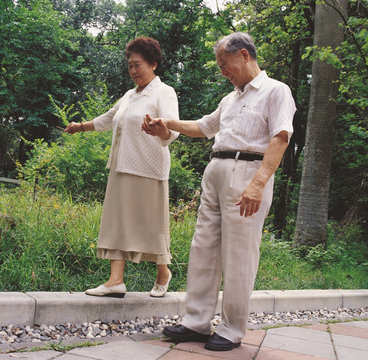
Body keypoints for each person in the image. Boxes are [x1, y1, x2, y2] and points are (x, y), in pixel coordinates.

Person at [142, 32, 296, 351]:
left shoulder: (275, 91)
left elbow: (280, 137)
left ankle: (232, 328)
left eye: (224, 64)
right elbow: (204, 127)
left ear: (243, 55)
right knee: (204, 248)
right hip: (216, 171)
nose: (222, 71)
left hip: (248, 172)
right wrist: (166, 124)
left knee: (239, 255)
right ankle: (196, 321)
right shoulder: (231, 98)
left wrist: (258, 183)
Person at [65, 36, 179, 298]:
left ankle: (163, 273)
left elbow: (173, 129)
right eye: (129, 66)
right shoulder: (130, 95)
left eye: (138, 65)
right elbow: (108, 118)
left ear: (154, 64)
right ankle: (116, 280)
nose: (133, 71)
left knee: (151, 224)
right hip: (121, 165)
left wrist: (161, 131)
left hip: (149, 167)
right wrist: (81, 127)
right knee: (116, 222)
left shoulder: (164, 92)